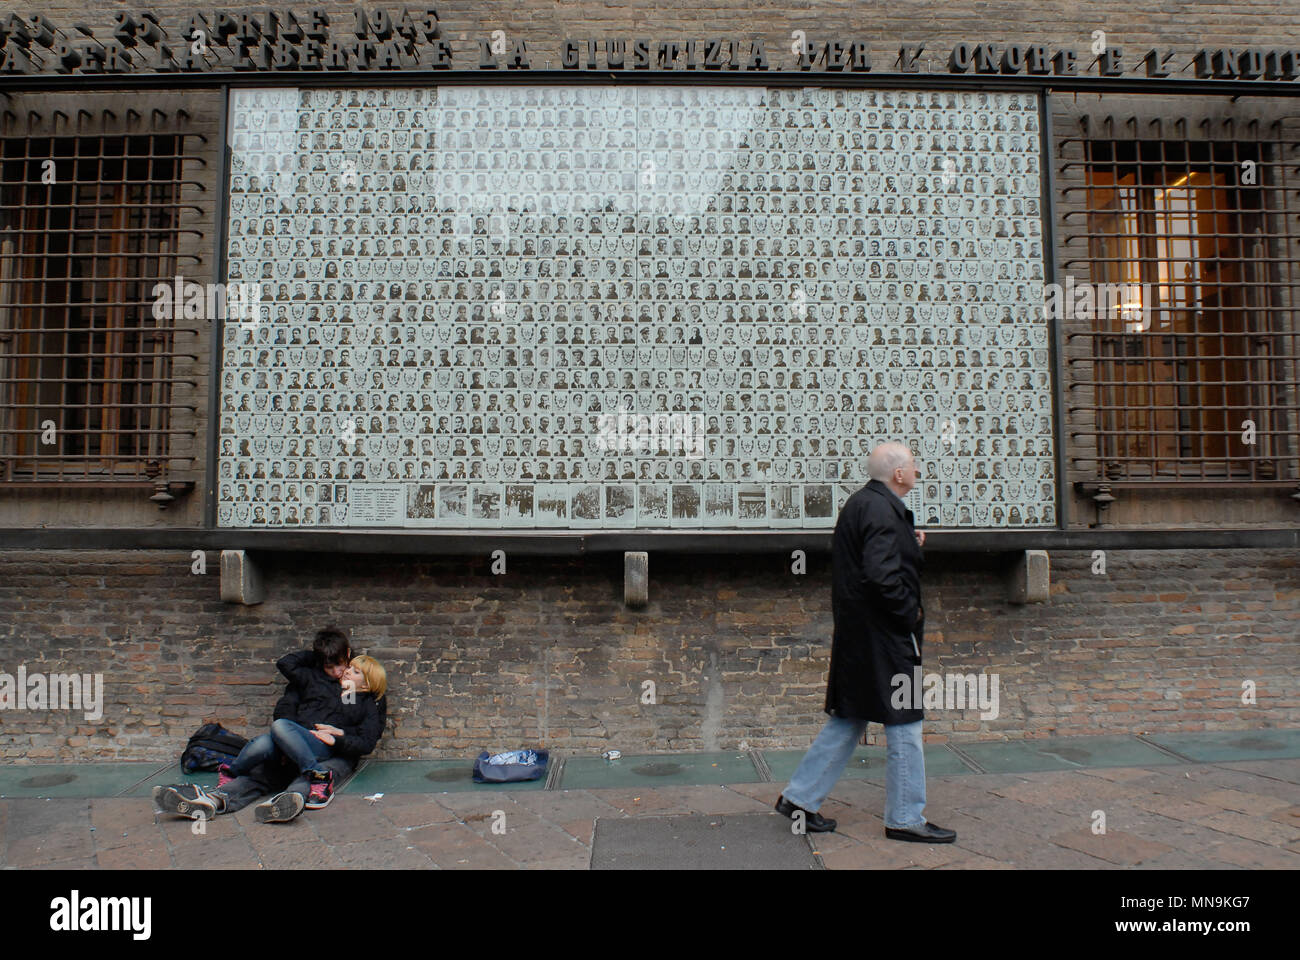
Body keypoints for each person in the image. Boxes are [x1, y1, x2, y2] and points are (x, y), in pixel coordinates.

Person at [775, 442, 956, 843]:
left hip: (861, 634)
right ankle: (905, 818)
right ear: (897, 474)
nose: (918, 471)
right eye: (913, 465)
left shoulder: (865, 505)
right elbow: (880, 574)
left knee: (850, 715)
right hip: (887, 635)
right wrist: (911, 614)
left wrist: (910, 542)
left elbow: (875, 560)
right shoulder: (882, 510)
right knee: (906, 721)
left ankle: (799, 800)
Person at [153, 627, 388, 824]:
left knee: (310, 778)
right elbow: (284, 708)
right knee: (262, 771)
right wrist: (292, 740)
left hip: (335, 754)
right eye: (337, 667)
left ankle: (285, 802)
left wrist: (338, 737)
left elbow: (366, 741)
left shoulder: (369, 699)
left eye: (349, 669)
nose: (341, 672)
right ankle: (213, 800)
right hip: (294, 744)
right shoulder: (308, 678)